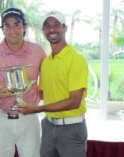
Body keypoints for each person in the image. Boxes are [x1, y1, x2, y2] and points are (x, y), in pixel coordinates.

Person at [19, 10, 88, 157]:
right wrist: (18, 90)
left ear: (65, 28)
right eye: (47, 25)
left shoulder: (76, 59)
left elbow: (74, 101)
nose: (51, 29)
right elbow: (44, 93)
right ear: (43, 30)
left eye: (56, 25)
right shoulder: (46, 62)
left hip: (71, 128)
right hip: (48, 127)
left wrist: (36, 109)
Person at [0, 8, 46, 157]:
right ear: (2, 29)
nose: (12, 30)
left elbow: (47, 82)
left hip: (29, 119)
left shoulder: (38, 51)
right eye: (7, 25)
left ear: (24, 27)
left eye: (17, 24)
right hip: (1, 119)